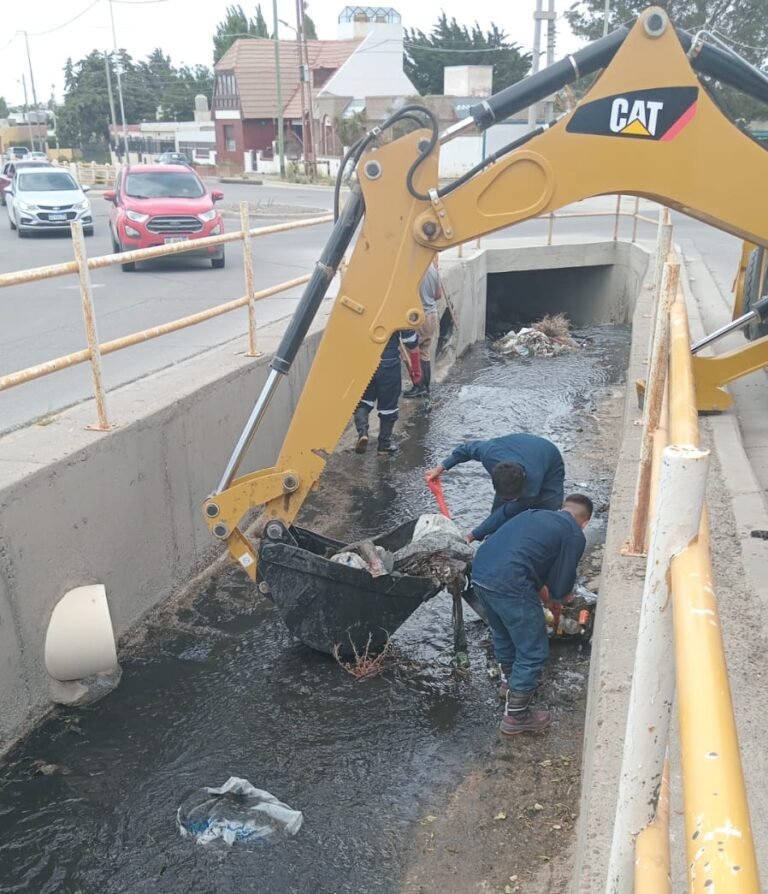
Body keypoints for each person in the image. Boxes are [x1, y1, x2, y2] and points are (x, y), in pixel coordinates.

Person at [471, 494, 593, 736]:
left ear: (562, 508)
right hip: (510, 583)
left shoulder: (533, 515)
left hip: (480, 573)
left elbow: (529, 560)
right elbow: (561, 586)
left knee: (504, 633)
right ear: (585, 522)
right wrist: (557, 601)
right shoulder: (574, 534)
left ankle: (509, 684)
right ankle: (516, 716)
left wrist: (549, 597)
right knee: (534, 650)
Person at [426, 433, 565, 542]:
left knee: (545, 515)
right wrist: (441, 467)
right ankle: (492, 538)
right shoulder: (488, 453)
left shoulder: (532, 487)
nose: (509, 501)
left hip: (549, 460)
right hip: (518, 448)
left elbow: (507, 512)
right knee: (498, 515)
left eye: (514, 498)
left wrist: (471, 536)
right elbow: (466, 449)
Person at [353, 328, 418, 457]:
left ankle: (363, 433)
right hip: (389, 363)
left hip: (365, 361)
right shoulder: (395, 308)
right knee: (389, 407)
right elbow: (410, 340)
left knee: (363, 401)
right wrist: (416, 366)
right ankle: (384, 445)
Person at [403, 259, 441, 399]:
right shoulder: (433, 268)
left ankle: (417, 386)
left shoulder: (413, 271)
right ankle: (425, 387)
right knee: (424, 352)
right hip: (432, 315)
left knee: (409, 351)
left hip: (418, 317)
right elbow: (438, 295)